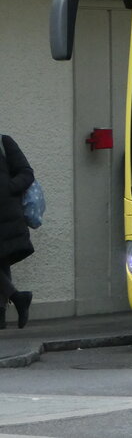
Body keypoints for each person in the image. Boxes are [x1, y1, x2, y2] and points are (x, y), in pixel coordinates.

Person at [0, 133, 35, 329]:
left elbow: (26, 172)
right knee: (1, 262)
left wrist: (7, 188)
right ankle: (15, 301)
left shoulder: (3, 142)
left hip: (5, 215)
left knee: (2, 259)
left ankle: (14, 300)